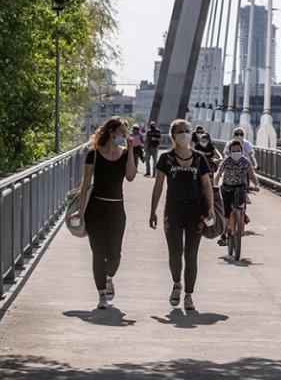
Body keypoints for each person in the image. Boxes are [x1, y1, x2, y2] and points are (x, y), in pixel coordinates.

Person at [69, 116, 136, 310]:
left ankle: (109, 278)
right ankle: (101, 295)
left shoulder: (125, 154)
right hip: (95, 210)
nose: (124, 136)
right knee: (98, 253)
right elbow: (85, 184)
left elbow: (131, 176)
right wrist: (80, 212)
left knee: (114, 255)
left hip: (116, 209)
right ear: (111, 132)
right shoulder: (94, 154)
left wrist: (131, 150)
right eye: (121, 132)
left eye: (125, 133)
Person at [149, 119, 215, 311]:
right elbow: (159, 185)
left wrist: (210, 207)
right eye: (180, 132)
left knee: (191, 254)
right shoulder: (166, 159)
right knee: (175, 252)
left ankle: (189, 295)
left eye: (187, 131)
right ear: (173, 136)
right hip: (173, 210)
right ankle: (177, 284)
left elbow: (206, 184)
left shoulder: (199, 158)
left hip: (196, 211)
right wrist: (153, 210)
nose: (184, 135)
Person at [213, 139, 260, 247]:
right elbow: (218, 173)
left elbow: (252, 174)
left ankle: (241, 216)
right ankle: (223, 235)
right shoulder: (226, 162)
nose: (236, 153)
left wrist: (256, 185)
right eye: (233, 151)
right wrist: (215, 184)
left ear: (242, 150)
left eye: (238, 150)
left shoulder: (245, 161)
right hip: (227, 188)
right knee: (226, 213)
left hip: (241, 187)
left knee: (240, 205)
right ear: (230, 152)